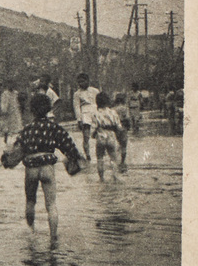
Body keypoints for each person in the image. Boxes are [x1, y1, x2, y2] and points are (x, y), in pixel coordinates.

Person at [13, 93, 83, 242]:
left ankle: (31, 233)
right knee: (51, 205)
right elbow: (69, 147)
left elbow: (17, 151)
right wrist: (75, 159)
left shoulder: (26, 130)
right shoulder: (54, 128)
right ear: (49, 109)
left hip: (31, 169)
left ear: (32, 110)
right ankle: (53, 238)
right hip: (47, 168)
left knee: (30, 201)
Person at [90, 92, 124, 182]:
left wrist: (93, 135)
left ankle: (101, 178)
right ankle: (115, 177)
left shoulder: (95, 113)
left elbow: (93, 128)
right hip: (111, 136)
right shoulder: (113, 112)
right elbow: (119, 127)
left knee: (100, 158)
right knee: (113, 158)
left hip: (101, 136)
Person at [72, 73, 100, 161]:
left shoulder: (95, 91)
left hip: (95, 111)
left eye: (83, 81)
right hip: (85, 113)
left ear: (88, 81)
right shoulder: (77, 94)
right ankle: (87, 154)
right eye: (79, 82)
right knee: (86, 135)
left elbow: (100, 102)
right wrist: (79, 119)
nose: (81, 84)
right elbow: (76, 106)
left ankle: (101, 152)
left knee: (100, 132)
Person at [112, 93, 131, 172]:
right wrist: (129, 127)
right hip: (123, 127)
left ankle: (115, 160)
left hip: (115, 128)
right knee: (123, 145)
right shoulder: (125, 108)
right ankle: (122, 162)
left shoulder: (113, 109)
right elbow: (127, 118)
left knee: (116, 144)